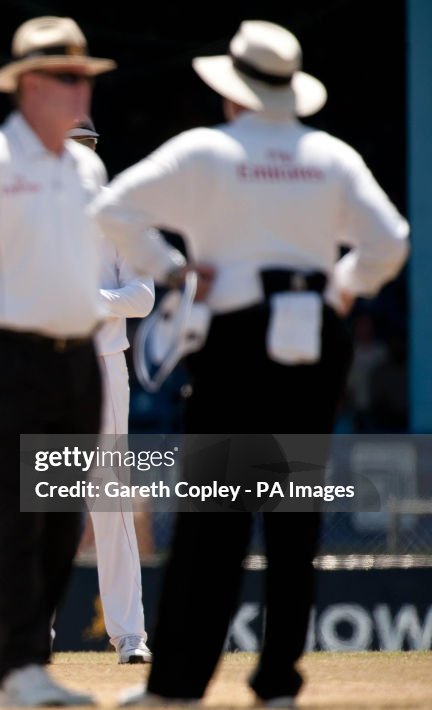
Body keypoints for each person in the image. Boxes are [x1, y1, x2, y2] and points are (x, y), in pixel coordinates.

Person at [91, 21, 409, 707]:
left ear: (233, 91)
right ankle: (278, 685)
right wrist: (343, 285)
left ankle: (176, 687)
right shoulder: (329, 156)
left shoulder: (208, 150)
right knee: (294, 521)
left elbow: (114, 210)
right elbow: (392, 240)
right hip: (312, 335)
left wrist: (173, 272)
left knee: (215, 518)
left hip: (235, 334)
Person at [0, 16, 116, 707]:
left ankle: (34, 658)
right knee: (20, 512)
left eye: (85, 77)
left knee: (66, 515)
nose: (82, 90)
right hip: (9, 354)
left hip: (79, 357)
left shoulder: (86, 165)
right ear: (31, 85)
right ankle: (18, 670)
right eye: (69, 78)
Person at [68, 120, 156, 665]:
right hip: (39, 367)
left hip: (100, 362)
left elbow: (142, 298)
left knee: (110, 502)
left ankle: (130, 636)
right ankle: (31, 635)